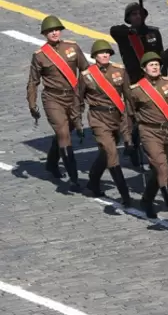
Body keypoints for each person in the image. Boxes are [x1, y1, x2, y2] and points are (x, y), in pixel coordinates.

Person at [27, 15, 88, 189]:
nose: (54, 33)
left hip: (73, 98)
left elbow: (86, 71)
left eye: (56, 30)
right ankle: (74, 178)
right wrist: (32, 103)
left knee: (65, 132)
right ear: (44, 34)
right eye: (50, 31)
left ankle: (51, 163)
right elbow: (33, 81)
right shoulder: (40, 56)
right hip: (53, 98)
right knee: (63, 134)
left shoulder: (73, 47)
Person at [129, 52, 168, 223]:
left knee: (159, 170)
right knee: (163, 170)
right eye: (151, 65)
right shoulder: (136, 90)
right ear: (144, 68)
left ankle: (146, 199)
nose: (155, 67)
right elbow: (130, 113)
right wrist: (129, 137)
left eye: (157, 65)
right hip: (149, 132)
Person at [78, 40, 133, 206]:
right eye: (101, 53)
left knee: (105, 153)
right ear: (95, 56)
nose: (105, 55)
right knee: (111, 153)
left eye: (107, 52)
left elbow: (128, 95)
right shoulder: (86, 75)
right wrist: (77, 121)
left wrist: (132, 116)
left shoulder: (119, 71)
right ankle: (125, 195)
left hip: (117, 117)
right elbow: (78, 99)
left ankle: (93, 181)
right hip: (98, 118)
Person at [109, 2, 163, 83]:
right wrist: (132, 31)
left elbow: (161, 53)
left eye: (140, 14)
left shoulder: (153, 32)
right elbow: (113, 30)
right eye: (134, 14)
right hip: (135, 77)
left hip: (154, 75)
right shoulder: (124, 35)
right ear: (129, 18)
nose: (138, 16)